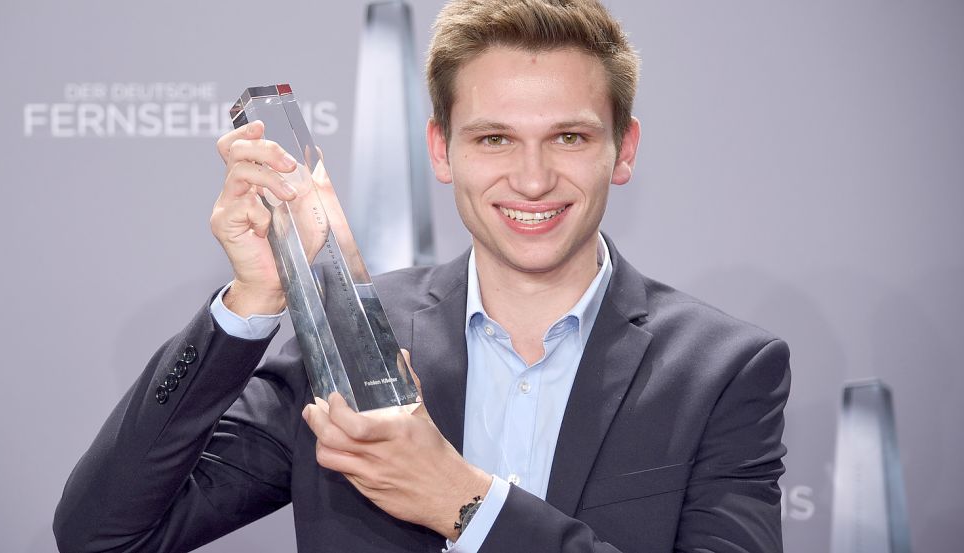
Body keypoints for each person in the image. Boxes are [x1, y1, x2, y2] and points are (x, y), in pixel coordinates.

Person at [54, 1, 790, 552]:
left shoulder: (724, 369)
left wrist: (464, 501)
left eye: (568, 137)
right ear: (441, 150)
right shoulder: (342, 345)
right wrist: (254, 299)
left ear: (621, 151)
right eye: (493, 138)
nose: (531, 179)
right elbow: (102, 533)